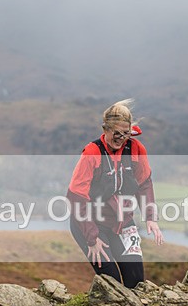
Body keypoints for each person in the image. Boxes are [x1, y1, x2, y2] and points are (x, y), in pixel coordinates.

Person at [66, 98, 163, 288]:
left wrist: (150, 217)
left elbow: (144, 184)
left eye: (125, 134)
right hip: (91, 224)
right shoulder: (92, 153)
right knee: (113, 283)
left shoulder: (135, 148)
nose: (120, 139)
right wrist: (92, 238)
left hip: (123, 222)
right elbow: (76, 197)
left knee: (135, 282)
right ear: (105, 130)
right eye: (116, 133)